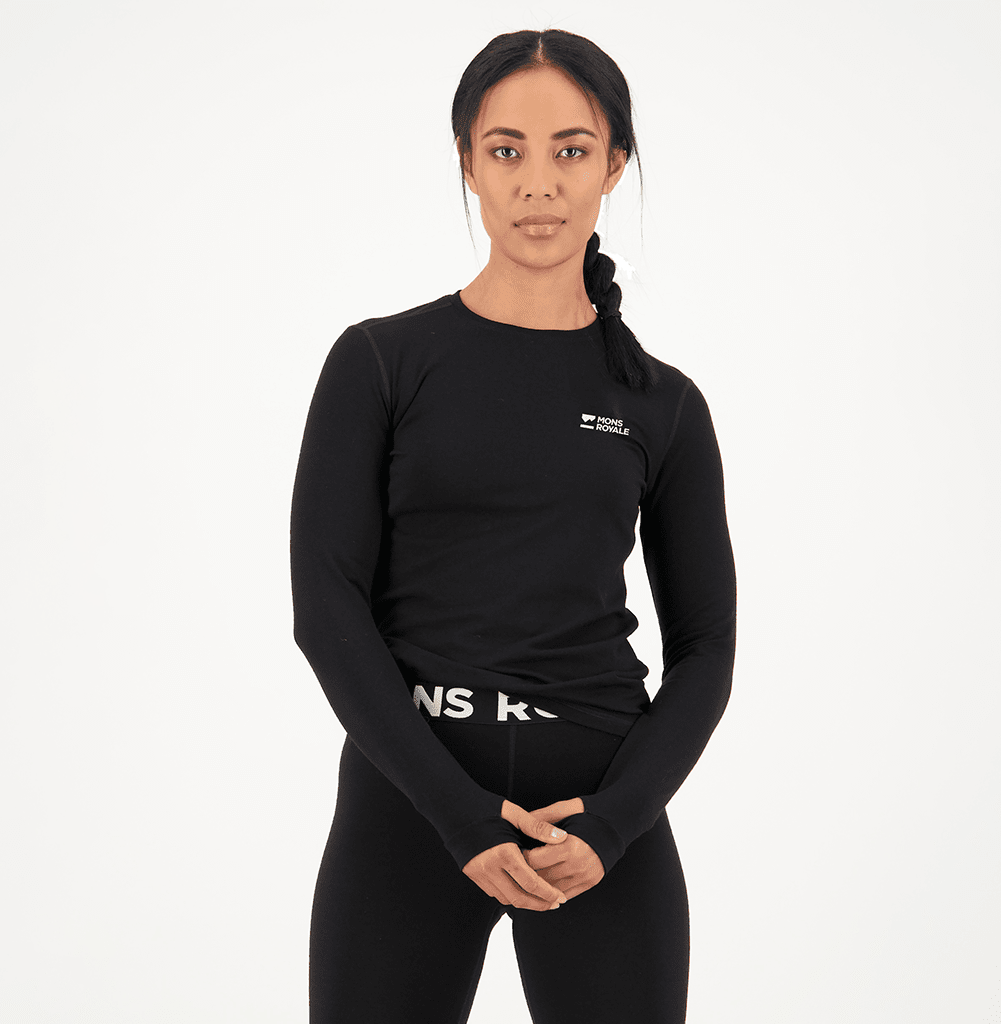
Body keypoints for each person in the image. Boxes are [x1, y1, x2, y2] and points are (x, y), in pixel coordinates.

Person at [290, 27, 737, 1024]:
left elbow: (707, 646)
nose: (539, 183)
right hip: (411, 805)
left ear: (613, 164)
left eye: (571, 149)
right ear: (468, 162)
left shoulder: (660, 404)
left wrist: (614, 826)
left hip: (596, 820)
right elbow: (326, 610)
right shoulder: (381, 363)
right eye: (506, 150)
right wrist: (458, 816)